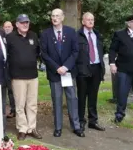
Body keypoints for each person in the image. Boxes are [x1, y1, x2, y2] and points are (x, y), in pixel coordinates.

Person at [40, 8, 84, 138]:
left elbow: (75, 51)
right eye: (53, 16)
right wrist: (56, 67)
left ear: (63, 17)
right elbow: (44, 54)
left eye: (57, 15)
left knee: (72, 99)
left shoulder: (71, 32)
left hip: (68, 72)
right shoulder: (45, 34)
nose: (55, 18)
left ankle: (76, 126)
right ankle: (58, 127)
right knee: (57, 100)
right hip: (55, 74)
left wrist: (65, 67)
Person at [6, 14, 41, 141]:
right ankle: (22, 128)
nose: (25, 24)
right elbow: (6, 57)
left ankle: (32, 128)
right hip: (18, 77)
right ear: (17, 24)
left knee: (32, 104)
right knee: (20, 105)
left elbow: (37, 52)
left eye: (27, 22)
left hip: (33, 76)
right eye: (22, 22)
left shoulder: (33, 36)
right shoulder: (10, 38)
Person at [76, 12, 106, 132]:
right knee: (82, 96)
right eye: (88, 19)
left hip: (96, 68)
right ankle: (81, 121)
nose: (90, 21)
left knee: (93, 96)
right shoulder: (77, 35)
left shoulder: (97, 35)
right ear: (83, 21)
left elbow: (100, 51)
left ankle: (93, 121)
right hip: (83, 69)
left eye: (92, 20)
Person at [2, 20, 16, 118]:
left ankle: (14, 109)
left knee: (12, 89)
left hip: (13, 67)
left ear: (12, 27)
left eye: (9, 26)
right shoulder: (1, 37)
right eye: (5, 27)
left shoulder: (15, 37)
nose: (7, 28)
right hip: (3, 68)